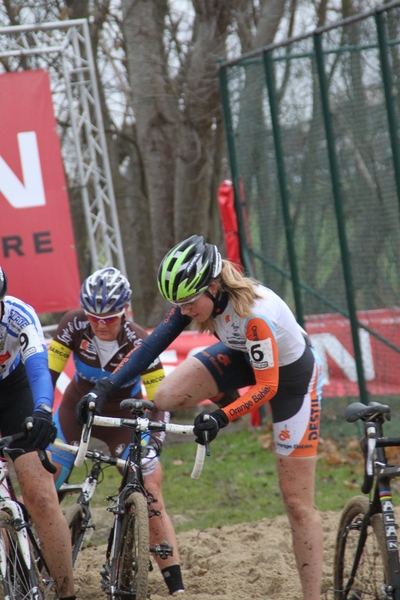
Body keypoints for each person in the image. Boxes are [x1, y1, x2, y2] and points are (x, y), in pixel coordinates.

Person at [76, 236, 325, 600]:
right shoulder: (197, 297)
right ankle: (231, 401)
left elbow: (268, 386)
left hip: (290, 383)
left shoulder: (254, 315)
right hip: (243, 356)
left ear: (213, 286)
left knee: (297, 504)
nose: (185, 311)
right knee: (166, 395)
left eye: (190, 304)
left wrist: (220, 417)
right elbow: (151, 346)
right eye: (179, 304)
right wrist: (106, 386)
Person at [47, 267, 185, 597]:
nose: (100, 324)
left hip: (123, 417)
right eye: (94, 317)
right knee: (44, 477)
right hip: (77, 411)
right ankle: (24, 554)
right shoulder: (72, 323)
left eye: (109, 317)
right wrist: (38, 414)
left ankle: (175, 584)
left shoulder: (139, 338)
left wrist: (155, 443)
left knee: (150, 486)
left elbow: (160, 399)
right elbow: (46, 374)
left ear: (124, 311)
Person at [0, 266, 76, 600]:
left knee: (42, 497)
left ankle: (67, 591)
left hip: (14, 389)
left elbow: (39, 371)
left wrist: (43, 411)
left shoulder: (18, 315)